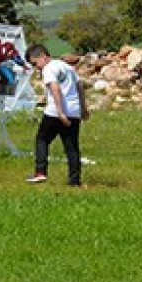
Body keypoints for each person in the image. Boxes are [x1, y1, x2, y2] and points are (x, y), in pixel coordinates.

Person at [24, 44, 88, 187]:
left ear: (43, 56)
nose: (36, 68)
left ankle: (40, 172)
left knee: (41, 139)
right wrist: (83, 108)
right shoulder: (66, 67)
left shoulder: (49, 69)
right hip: (74, 111)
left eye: (35, 63)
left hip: (55, 112)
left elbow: (55, 87)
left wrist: (60, 111)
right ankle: (74, 181)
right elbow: (79, 86)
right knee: (72, 147)